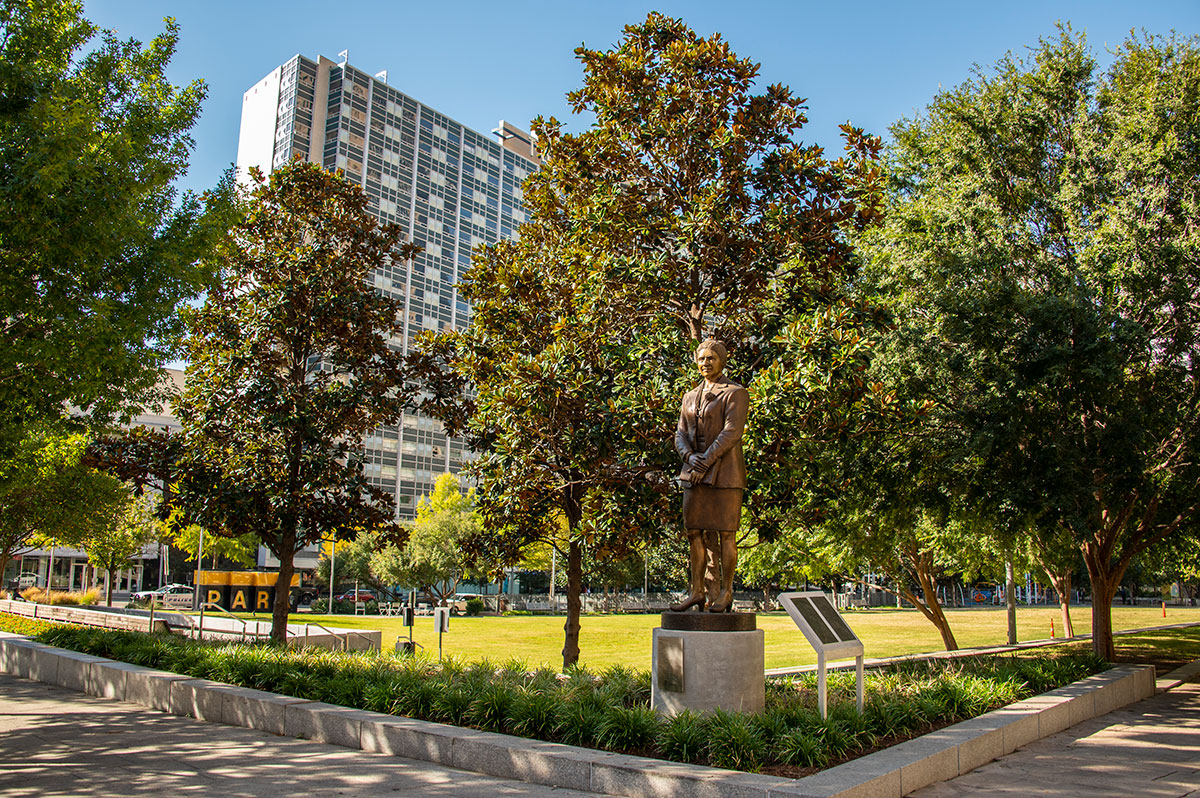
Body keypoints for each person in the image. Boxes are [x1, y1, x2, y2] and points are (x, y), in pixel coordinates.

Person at [669, 340, 749, 613]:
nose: (705, 363)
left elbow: (732, 432)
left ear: (722, 361)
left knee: (727, 533)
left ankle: (726, 592)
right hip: (694, 473)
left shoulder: (735, 393)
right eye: (701, 358)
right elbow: (680, 433)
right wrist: (690, 458)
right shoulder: (689, 397)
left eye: (711, 358)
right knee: (694, 532)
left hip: (726, 473)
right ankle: (696, 592)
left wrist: (707, 458)